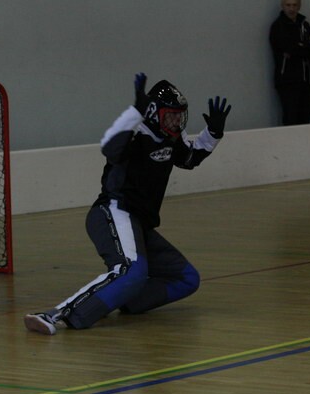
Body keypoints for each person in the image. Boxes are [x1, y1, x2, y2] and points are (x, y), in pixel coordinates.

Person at [23, 73, 231, 335]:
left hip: (138, 223)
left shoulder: (171, 139)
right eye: (171, 116)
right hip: (113, 211)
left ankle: (119, 300)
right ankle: (55, 315)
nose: (177, 122)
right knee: (131, 270)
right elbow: (110, 148)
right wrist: (135, 113)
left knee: (186, 278)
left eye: (180, 116)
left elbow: (189, 158)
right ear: (153, 113)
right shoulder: (134, 137)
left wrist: (212, 134)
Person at [269, 0, 310, 125]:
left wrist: (302, 45)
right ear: (283, 6)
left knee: (305, 119)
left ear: (299, 6)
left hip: (306, 80)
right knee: (291, 118)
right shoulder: (278, 26)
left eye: (294, 5)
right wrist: (308, 44)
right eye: (288, 5)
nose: (291, 9)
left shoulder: (304, 24)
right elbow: (291, 48)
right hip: (287, 80)